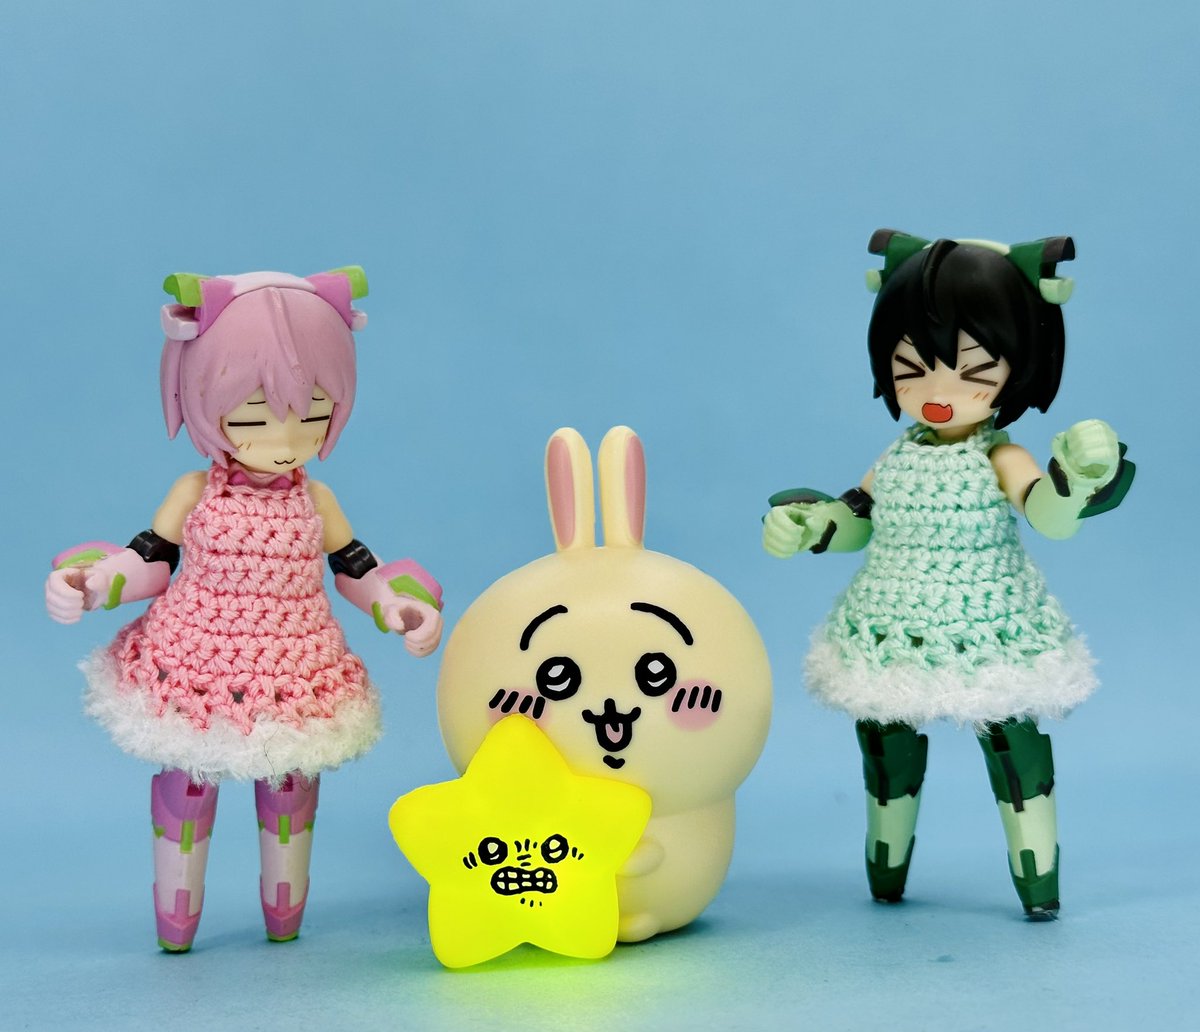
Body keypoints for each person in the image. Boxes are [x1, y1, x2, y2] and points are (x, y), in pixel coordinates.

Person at [46, 268, 444, 950]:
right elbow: (151, 559)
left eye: (312, 414)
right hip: (195, 657)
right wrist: (93, 584)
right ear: (204, 400)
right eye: (255, 416)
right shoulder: (195, 491)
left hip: (297, 661)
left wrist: (395, 606)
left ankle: (284, 915)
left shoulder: (315, 500)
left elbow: (354, 566)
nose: (285, 438)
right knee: (188, 781)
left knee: (289, 784)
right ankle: (176, 923)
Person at [762, 232, 1133, 917]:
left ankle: (1039, 882)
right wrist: (812, 526)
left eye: (973, 371)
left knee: (1014, 744)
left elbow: (1048, 514)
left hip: (989, 621)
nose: (939, 392)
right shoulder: (897, 456)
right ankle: (886, 867)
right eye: (912, 367)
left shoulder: (1001, 457)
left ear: (1019, 367)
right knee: (886, 743)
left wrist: (1079, 479)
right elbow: (858, 516)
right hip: (892, 620)